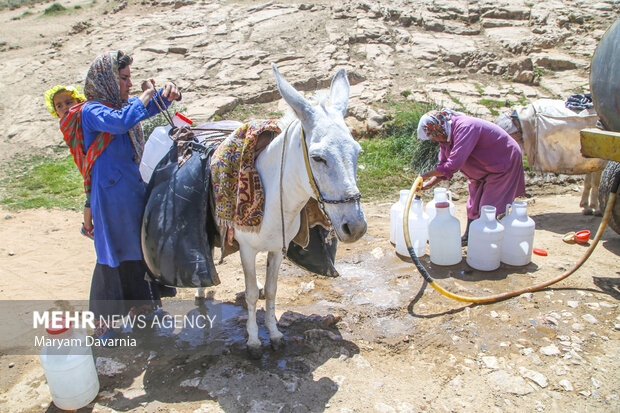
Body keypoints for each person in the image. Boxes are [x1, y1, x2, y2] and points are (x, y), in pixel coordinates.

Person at [81, 50, 180, 339]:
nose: (128, 83)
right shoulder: (93, 111)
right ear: (107, 81)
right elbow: (121, 122)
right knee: (111, 255)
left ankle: (144, 310)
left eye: (129, 78)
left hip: (131, 192)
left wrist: (166, 95)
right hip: (110, 199)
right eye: (123, 78)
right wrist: (146, 95)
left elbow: (140, 112)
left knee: (137, 251)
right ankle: (106, 324)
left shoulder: (120, 107)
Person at [417, 109, 526, 244]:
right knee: (473, 205)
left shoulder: (465, 127)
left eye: (432, 136)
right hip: (481, 168)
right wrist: (431, 183)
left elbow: (453, 165)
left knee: (488, 206)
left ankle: (488, 241)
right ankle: (470, 237)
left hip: (503, 162)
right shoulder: (445, 137)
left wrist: (426, 175)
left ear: (438, 129)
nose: (433, 140)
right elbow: (444, 165)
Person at [44, 85, 94, 239]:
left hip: (89, 160)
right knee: (91, 196)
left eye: (68, 102)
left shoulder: (80, 116)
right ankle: (87, 227)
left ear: (76, 100)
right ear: (55, 112)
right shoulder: (67, 122)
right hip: (85, 163)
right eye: (59, 106)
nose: (65, 107)